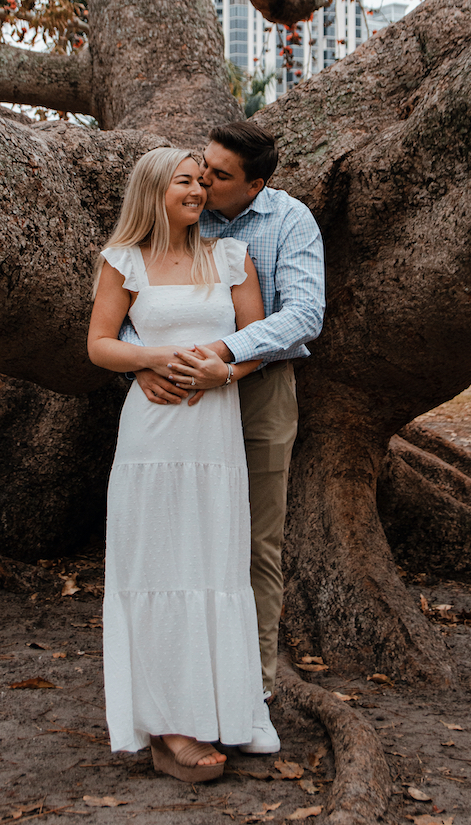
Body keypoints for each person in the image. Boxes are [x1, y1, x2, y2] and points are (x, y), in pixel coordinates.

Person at [129, 124, 325, 755]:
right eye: (201, 167)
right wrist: (143, 362)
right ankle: (177, 690)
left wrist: (225, 357)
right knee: (179, 542)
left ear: (255, 184)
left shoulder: (288, 221)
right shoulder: (182, 209)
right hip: (176, 397)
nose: (203, 181)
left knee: (255, 542)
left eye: (218, 175)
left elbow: (304, 314)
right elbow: (134, 295)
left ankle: (252, 692)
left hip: (259, 389)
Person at [88, 146, 267, 783]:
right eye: (184, 181)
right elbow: (99, 344)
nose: (197, 190)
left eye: (201, 181)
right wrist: (150, 359)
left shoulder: (231, 257)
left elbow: (257, 341)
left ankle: (219, 709)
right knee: (158, 566)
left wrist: (226, 374)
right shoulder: (124, 260)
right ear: (153, 191)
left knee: (213, 567)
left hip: (213, 437)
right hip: (153, 437)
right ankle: (168, 727)